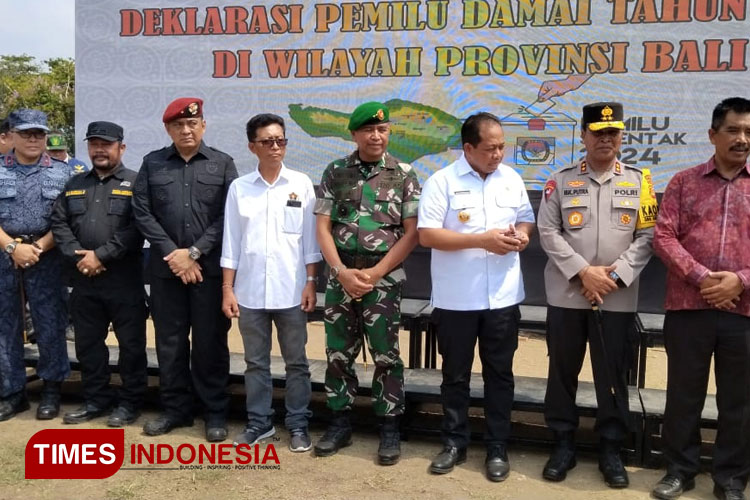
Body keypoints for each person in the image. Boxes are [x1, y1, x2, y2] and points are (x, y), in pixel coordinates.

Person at [536, 102, 656, 488]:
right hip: (568, 296)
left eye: (613, 133)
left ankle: (610, 449)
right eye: (598, 132)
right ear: (584, 135)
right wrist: (583, 272)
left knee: (612, 376)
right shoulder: (561, 180)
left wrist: (614, 277)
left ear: (621, 137)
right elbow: (549, 232)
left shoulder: (641, 182)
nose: (605, 139)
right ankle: (563, 444)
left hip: (617, 298)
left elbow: (648, 236)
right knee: (561, 374)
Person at [418, 112, 535, 481]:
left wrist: (523, 235)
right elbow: (428, 236)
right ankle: (454, 442)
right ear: (468, 148)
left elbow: (525, 218)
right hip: (457, 299)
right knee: (455, 375)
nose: (498, 154)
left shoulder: (512, 178)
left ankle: (497, 446)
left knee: (500, 374)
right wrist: (480, 240)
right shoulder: (442, 182)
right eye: (490, 148)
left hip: (502, 297)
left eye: (502, 146)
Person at [651, 97, 750, 500]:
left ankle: (729, 479)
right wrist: (704, 278)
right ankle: (680, 469)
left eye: (748, 132)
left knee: (739, 403)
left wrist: (740, 281)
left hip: (744, 312)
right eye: (733, 130)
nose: (742, 139)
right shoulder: (684, 182)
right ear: (713, 135)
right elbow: (662, 236)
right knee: (683, 395)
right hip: (689, 309)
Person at [313, 101, 421, 465]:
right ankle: (340, 423)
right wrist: (341, 271)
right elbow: (323, 228)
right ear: (355, 134)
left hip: (383, 280)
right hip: (341, 277)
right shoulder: (336, 171)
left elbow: (411, 234)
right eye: (369, 130)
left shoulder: (404, 174)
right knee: (338, 353)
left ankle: (389, 428)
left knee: (386, 355)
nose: (377, 136)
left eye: (383, 129)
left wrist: (375, 275)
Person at [132, 97, 238, 441]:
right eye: (178, 125)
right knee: (170, 345)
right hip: (167, 273)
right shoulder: (153, 164)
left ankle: (215, 413)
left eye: (192, 123)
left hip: (208, 274)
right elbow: (142, 214)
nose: (186, 129)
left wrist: (193, 253)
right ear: (168, 129)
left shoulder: (222, 164)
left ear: (203, 125)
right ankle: (175, 411)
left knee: (210, 344)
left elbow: (229, 217)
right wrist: (175, 256)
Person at [221, 113, 321, 451]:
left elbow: (310, 240)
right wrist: (227, 289)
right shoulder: (240, 188)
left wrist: (310, 282)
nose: (276, 147)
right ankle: (259, 424)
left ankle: (297, 425)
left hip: (292, 291)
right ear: (253, 147)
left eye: (281, 140)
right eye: (267, 141)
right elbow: (231, 242)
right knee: (255, 363)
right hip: (249, 293)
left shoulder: (301, 183)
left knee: (297, 363)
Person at [51, 121, 148, 427]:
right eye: (94, 144)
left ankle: (130, 402)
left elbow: (138, 228)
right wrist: (79, 256)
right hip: (84, 280)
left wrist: (101, 255)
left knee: (131, 347)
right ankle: (96, 399)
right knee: (88, 345)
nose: (99, 150)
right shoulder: (75, 183)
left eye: (106, 144)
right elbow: (59, 223)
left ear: (121, 147)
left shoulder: (137, 183)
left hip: (124, 281)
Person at [0, 108, 72, 421]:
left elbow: (68, 220)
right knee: (5, 327)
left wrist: (38, 247)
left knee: (50, 323)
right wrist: (13, 247)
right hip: (4, 254)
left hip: (47, 257)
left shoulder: (64, 172)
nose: (33, 138)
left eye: (39, 133)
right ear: (10, 135)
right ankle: (12, 392)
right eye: (26, 132)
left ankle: (52, 390)